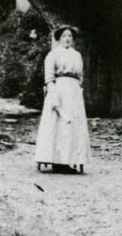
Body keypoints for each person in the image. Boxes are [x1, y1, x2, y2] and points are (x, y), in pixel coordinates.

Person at [35, 26, 91, 174]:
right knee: (59, 124)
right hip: (59, 90)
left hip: (73, 92)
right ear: (59, 38)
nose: (67, 39)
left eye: (70, 36)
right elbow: (49, 77)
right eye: (65, 36)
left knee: (73, 125)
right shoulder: (53, 55)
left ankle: (71, 159)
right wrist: (53, 94)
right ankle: (57, 161)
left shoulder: (77, 55)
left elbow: (80, 76)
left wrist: (78, 89)